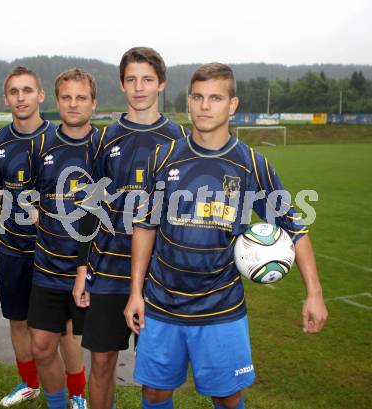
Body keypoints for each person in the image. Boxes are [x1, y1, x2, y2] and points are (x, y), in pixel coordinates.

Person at [124, 62, 328, 409]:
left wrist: (315, 294)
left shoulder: (251, 164)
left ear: (232, 104)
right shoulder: (163, 158)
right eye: (198, 97)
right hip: (161, 304)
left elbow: (295, 228)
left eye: (215, 98)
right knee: (155, 392)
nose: (205, 106)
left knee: (228, 397)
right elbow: (145, 227)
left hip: (221, 308)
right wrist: (134, 293)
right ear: (188, 101)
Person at [73, 47, 188, 409]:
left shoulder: (180, 139)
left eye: (147, 79)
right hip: (107, 271)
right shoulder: (102, 139)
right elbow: (88, 209)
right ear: (122, 85)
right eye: (131, 79)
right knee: (102, 362)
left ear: (162, 84)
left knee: (154, 374)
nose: (139, 87)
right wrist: (81, 270)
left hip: (158, 277)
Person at [27, 68, 98, 409]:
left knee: (99, 354)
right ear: (56, 101)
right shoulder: (41, 147)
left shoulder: (105, 149)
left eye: (81, 97)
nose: (73, 104)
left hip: (93, 272)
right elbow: (32, 198)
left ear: (93, 102)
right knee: (41, 345)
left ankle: (80, 398)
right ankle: (59, 405)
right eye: (66, 97)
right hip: (48, 268)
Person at [0, 66, 55, 406]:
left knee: (62, 327)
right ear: (7, 98)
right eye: (14, 91)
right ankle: (29, 384)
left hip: (54, 253)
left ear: (40, 95)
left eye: (28, 90)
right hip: (12, 248)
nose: (21, 97)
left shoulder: (59, 139)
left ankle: (75, 391)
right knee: (18, 320)